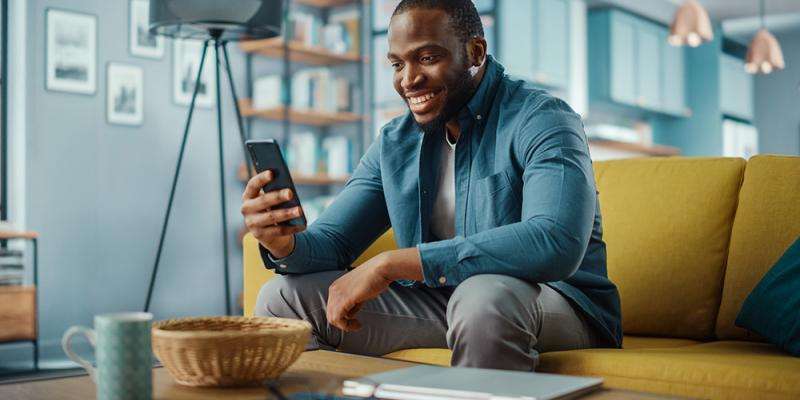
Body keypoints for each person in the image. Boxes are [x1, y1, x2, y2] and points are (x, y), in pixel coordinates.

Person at [241, 0, 621, 371]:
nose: (408, 80)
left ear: (475, 52)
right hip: (448, 303)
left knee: (482, 296)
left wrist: (394, 263)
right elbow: (333, 243)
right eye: (397, 63)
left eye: (427, 58)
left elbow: (555, 241)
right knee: (282, 298)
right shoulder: (395, 141)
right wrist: (284, 243)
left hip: (560, 304)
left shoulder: (543, 119)